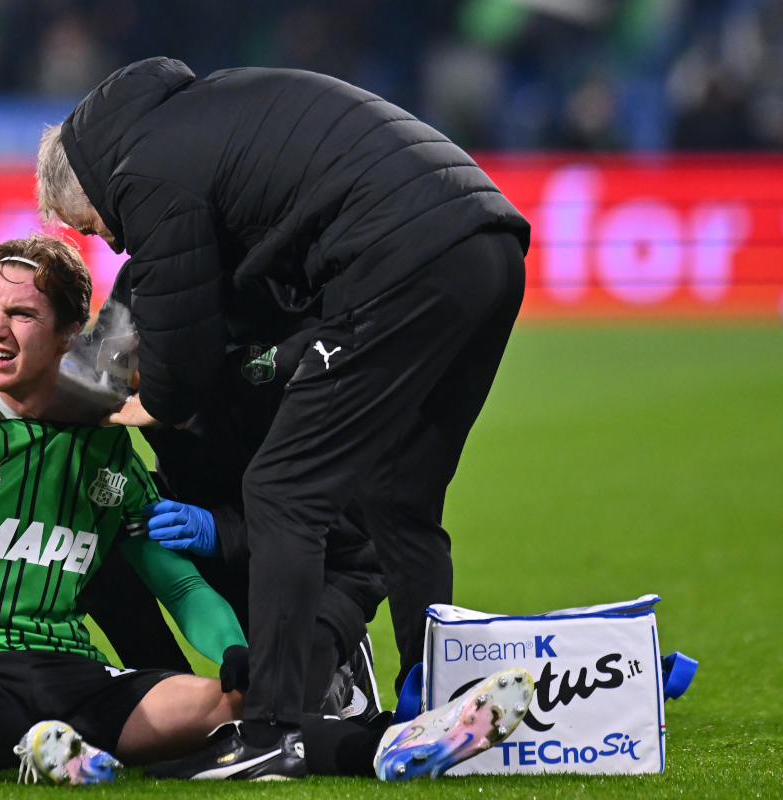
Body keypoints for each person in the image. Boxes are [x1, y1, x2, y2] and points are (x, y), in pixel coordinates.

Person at [36, 57, 530, 779]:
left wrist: (158, 402)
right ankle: (436, 699)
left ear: (87, 183)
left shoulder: (143, 171)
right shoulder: (201, 125)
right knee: (402, 496)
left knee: (282, 490)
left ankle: (271, 728)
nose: (113, 241)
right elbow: (138, 328)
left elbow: (175, 333)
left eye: (95, 225)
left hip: (400, 256)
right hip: (487, 242)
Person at [0, 234, 248, 783]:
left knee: (240, 699)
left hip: (68, 675)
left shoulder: (104, 448)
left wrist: (234, 650)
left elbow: (180, 587)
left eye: (21, 315)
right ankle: (46, 744)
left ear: (68, 335)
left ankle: (54, 747)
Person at [78, 273, 386, 721]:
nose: (130, 382)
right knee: (94, 511)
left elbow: (355, 521)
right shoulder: (145, 303)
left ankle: (342, 662)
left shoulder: (299, 362)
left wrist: (222, 530)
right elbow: (79, 381)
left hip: (323, 558)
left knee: (283, 717)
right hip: (213, 524)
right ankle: (162, 687)